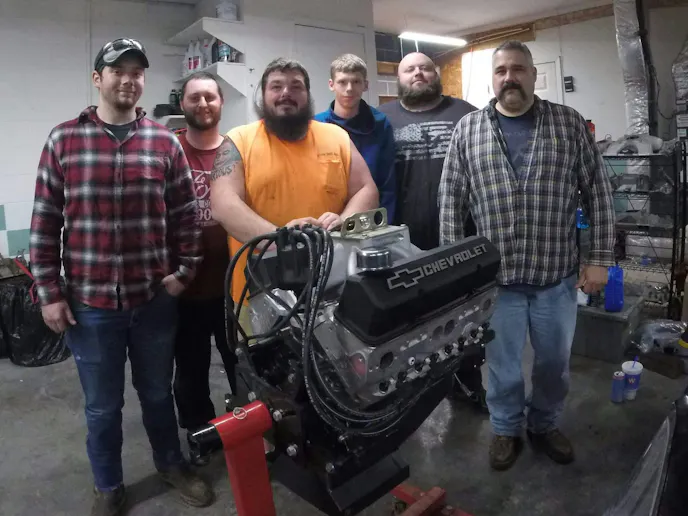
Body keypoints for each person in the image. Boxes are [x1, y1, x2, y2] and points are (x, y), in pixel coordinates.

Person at [29, 38, 214, 515]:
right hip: (90, 306)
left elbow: (186, 217)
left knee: (157, 394)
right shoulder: (63, 140)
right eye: (118, 71)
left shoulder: (163, 143)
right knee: (102, 407)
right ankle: (108, 486)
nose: (129, 80)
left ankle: (171, 464)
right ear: (98, 79)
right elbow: (45, 222)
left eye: (137, 72)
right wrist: (49, 293)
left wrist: (184, 273)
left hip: (153, 300)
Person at [438, 40, 615, 471]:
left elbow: (598, 192)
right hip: (497, 284)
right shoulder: (468, 130)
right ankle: (505, 428)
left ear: (534, 75)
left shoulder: (568, 124)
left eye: (518, 69)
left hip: (556, 278)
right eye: (501, 71)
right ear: (492, 79)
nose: (510, 78)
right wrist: (454, 276)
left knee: (554, 365)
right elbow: (450, 204)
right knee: (503, 367)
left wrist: (600, 258)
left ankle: (544, 424)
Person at [210, 57, 379, 307]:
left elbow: (367, 189)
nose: (286, 93)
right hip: (260, 295)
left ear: (308, 94)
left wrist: (343, 221)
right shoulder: (239, 140)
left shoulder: (337, 137)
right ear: (263, 94)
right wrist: (284, 241)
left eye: (296, 86)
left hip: (333, 287)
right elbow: (223, 204)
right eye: (276, 86)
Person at [379, 51, 486, 411]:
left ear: (436, 73)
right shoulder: (383, 119)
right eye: (409, 69)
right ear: (399, 78)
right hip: (402, 240)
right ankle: (408, 392)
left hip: (460, 235)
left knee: (467, 314)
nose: (418, 73)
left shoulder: (467, 114)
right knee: (407, 322)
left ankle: (467, 382)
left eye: (425, 67)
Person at [172, 72, 237, 465]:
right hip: (185, 287)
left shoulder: (236, 151)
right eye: (194, 97)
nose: (203, 104)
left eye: (210, 97)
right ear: (182, 103)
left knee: (241, 364)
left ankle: (249, 429)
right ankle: (201, 436)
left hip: (234, 286)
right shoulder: (169, 148)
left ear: (221, 102)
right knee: (191, 370)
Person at [314, 54, 396, 222]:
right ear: (331, 85)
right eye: (342, 82)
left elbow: (388, 182)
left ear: (365, 85)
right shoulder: (316, 125)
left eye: (356, 82)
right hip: (326, 220)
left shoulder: (380, 123)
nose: (349, 88)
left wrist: (385, 225)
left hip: (371, 219)